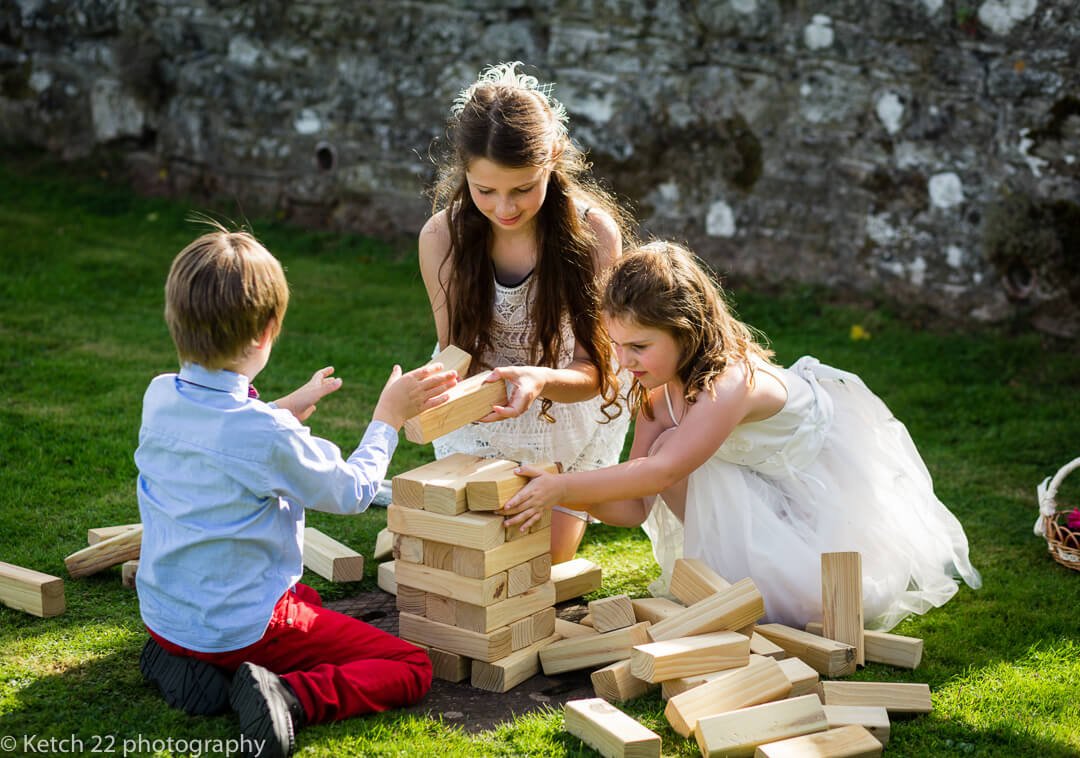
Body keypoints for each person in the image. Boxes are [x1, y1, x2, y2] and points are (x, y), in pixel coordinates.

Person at [499, 241, 982, 631]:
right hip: (757, 476)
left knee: (821, 604)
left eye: (640, 347)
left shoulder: (730, 382)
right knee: (671, 450)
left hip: (817, 477)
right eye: (618, 346)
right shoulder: (655, 398)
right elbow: (633, 505)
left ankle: (787, 561)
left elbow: (663, 472)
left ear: (685, 332)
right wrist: (561, 485)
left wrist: (565, 488)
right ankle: (742, 570)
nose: (625, 363)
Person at [135, 225, 458, 758]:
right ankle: (288, 695)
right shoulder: (266, 435)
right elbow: (354, 492)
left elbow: (225, 438)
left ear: (176, 321)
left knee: (301, 598)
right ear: (266, 332)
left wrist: (280, 406)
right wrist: (389, 417)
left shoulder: (160, 395)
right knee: (410, 665)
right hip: (242, 628)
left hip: (168, 617)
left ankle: (189, 663)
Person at [418, 61, 634, 563]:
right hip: (486, 406)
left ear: (552, 160)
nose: (505, 208)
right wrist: (433, 391)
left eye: (522, 188)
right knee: (478, 558)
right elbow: (457, 354)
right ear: (464, 171)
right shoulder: (441, 236)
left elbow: (597, 370)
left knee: (543, 561)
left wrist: (537, 381)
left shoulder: (593, 234)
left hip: (567, 402)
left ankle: (561, 488)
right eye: (485, 190)